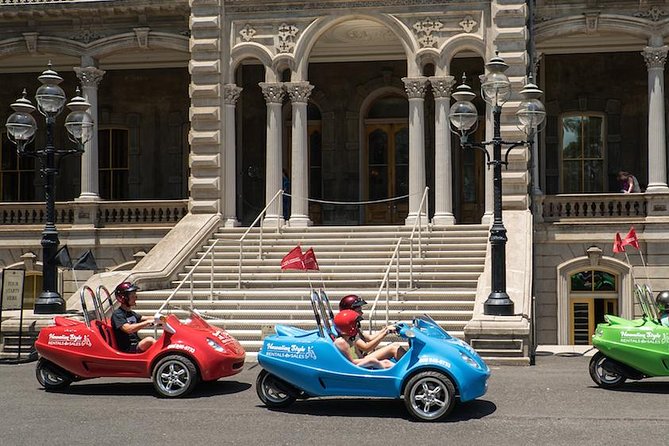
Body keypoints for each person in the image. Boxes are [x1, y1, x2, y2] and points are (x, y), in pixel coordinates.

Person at [337, 294, 406, 361]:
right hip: (361, 359)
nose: (362, 313)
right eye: (359, 311)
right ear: (349, 312)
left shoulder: (354, 326)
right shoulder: (349, 330)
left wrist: (386, 329)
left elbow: (369, 338)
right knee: (394, 347)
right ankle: (411, 371)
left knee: (394, 347)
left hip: (362, 357)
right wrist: (386, 332)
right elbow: (366, 348)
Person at [111, 282, 157, 353]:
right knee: (149, 340)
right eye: (132, 296)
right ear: (124, 298)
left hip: (135, 344)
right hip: (127, 349)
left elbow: (146, 318)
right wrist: (147, 323)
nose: (136, 298)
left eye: (135, 296)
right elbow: (128, 329)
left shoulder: (131, 313)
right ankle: (164, 358)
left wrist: (161, 318)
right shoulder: (117, 314)